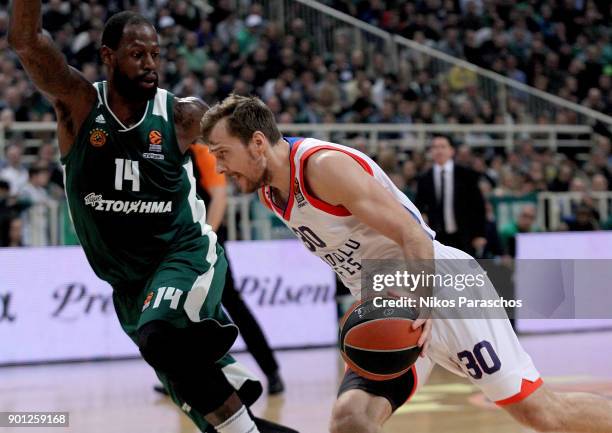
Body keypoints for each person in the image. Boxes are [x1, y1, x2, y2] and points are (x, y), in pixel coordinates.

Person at [201, 94, 612, 433]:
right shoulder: (271, 193)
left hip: (440, 291)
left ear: (257, 142)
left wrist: (421, 303)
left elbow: (414, 234)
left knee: (544, 414)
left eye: (223, 153)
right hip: (387, 308)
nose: (218, 166)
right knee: (351, 421)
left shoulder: (323, 168)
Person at [8, 6, 297, 433]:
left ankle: (204, 335)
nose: (149, 64)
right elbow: (27, 42)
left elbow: (251, 143)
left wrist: (301, 175)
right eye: (137, 54)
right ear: (108, 55)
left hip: (184, 254)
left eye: (155, 55)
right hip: (130, 288)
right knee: (227, 424)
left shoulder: (182, 115)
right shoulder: (80, 104)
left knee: (159, 333)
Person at [155, 144, 285, 396]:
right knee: (178, 310)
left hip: (207, 241)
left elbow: (219, 196)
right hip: (178, 245)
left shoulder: (200, 151)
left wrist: (206, 239)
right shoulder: (161, 150)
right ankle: (180, 377)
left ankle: (271, 371)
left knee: (233, 304)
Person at [415, 135, 486, 255]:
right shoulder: (424, 178)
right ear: (431, 151)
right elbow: (419, 206)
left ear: (451, 151)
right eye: (435, 147)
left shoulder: (466, 175)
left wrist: (479, 234)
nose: (439, 150)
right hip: (436, 237)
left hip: (464, 234)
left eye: (443, 146)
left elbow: (478, 206)